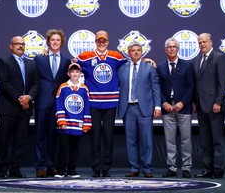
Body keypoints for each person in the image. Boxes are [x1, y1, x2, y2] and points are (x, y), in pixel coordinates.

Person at [73, 30, 127, 177]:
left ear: (108, 42)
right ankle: (96, 168)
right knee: (95, 137)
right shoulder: (86, 56)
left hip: (110, 102)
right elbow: (72, 65)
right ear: (95, 42)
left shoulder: (115, 56)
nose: (101, 43)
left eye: (104, 41)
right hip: (93, 103)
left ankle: (106, 168)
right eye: (99, 41)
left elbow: (131, 64)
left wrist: (147, 60)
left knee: (109, 136)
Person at [0, 36, 38, 178]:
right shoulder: (4, 61)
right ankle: (2, 170)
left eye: (23, 44)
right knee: (3, 140)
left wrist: (28, 97)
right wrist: (20, 98)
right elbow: (4, 83)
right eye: (17, 44)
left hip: (24, 110)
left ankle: (15, 170)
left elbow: (36, 84)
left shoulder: (31, 64)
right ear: (11, 46)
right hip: (8, 108)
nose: (21, 46)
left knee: (20, 141)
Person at [118, 41, 162, 178]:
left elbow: (155, 88)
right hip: (128, 108)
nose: (136, 52)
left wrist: (157, 106)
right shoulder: (122, 68)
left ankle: (147, 168)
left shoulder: (149, 68)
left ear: (142, 52)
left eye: (138, 50)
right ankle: (134, 167)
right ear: (128, 52)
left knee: (146, 140)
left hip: (145, 108)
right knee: (131, 140)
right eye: (133, 50)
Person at [34, 29, 71, 178]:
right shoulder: (39, 58)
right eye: (52, 40)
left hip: (57, 104)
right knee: (40, 136)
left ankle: (51, 166)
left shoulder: (67, 61)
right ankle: (39, 166)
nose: (55, 42)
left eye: (58, 40)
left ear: (62, 42)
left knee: (53, 137)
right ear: (48, 41)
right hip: (42, 102)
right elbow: (34, 79)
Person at [156, 38, 194, 178]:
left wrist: (182, 102)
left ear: (178, 49)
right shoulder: (160, 67)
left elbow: (191, 86)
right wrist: (164, 102)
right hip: (167, 108)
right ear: (165, 49)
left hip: (183, 108)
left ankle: (186, 168)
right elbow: (157, 88)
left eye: (174, 46)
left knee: (186, 139)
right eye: (169, 47)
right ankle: (171, 167)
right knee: (170, 139)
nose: (172, 49)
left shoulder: (187, 66)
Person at [193, 33, 225, 179]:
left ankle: (218, 169)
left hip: (215, 106)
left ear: (211, 42)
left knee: (216, 139)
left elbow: (223, 82)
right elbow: (197, 84)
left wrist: (218, 102)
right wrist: (195, 102)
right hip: (201, 107)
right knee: (205, 140)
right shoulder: (196, 60)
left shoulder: (219, 57)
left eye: (204, 42)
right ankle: (208, 169)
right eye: (200, 42)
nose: (202, 44)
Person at [54, 63, 92, 178]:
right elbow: (59, 104)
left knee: (75, 148)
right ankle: (61, 170)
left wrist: (86, 124)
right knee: (63, 147)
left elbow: (86, 106)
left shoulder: (84, 88)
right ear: (68, 74)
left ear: (80, 74)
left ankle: (71, 170)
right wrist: (61, 121)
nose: (75, 74)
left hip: (78, 124)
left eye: (77, 72)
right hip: (66, 124)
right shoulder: (63, 87)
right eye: (72, 72)